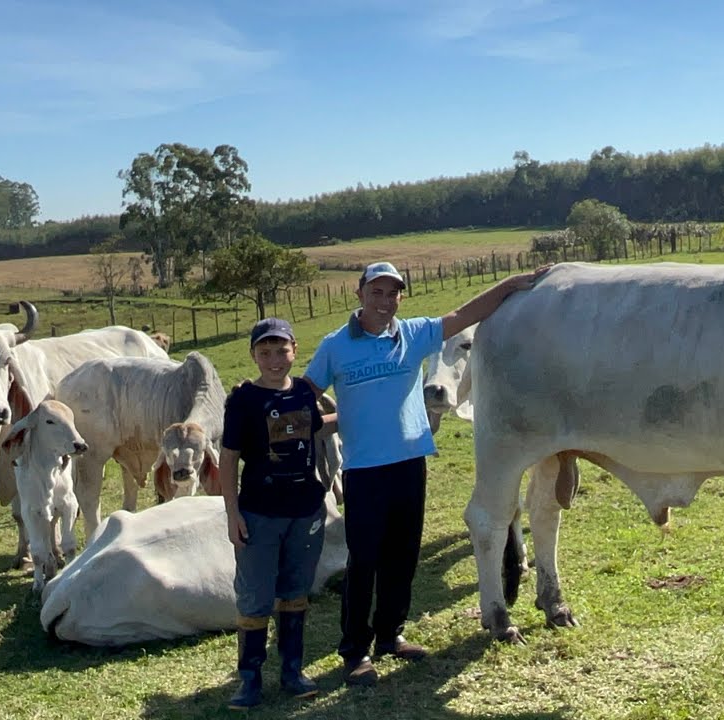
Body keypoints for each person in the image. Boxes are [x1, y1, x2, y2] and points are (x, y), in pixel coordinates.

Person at [304, 260, 550, 687]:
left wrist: (509, 283)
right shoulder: (335, 346)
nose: (385, 301)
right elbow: (306, 395)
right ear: (360, 293)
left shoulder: (414, 333)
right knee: (363, 561)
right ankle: (355, 650)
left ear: (401, 297)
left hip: (409, 463)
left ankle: (390, 634)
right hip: (363, 469)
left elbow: (464, 316)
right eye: (376, 292)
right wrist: (303, 422)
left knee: (402, 555)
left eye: (393, 292)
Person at [219, 317, 337, 710]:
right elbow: (228, 459)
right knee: (254, 594)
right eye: (265, 352)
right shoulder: (243, 400)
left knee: (295, 591)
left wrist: (370, 411)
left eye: (281, 350)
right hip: (258, 513)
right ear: (253, 354)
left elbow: (317, 429)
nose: (274, 359)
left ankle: (292, 670)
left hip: (305, 510)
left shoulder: (305, 392)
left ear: (294, 350)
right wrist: (232, 512)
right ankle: (249, 679)